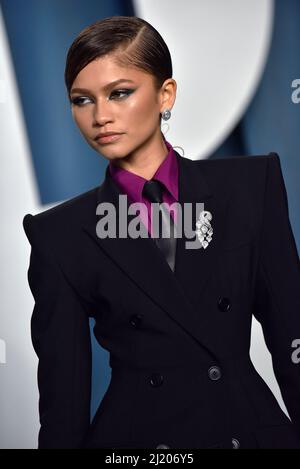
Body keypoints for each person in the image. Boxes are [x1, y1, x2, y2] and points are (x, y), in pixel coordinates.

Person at [23, 15, 300, 449]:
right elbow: (62, 401)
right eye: (82, 100)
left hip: (247, 429)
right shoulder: (59, 236)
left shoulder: (250, 186)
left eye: (119, 93)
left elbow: (293, 338)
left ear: (165, 94)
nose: (100, 116)